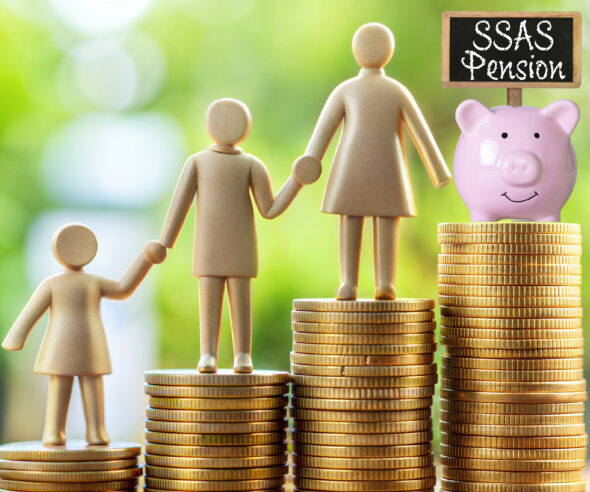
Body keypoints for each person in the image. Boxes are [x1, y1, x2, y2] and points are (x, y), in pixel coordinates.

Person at [292, 23, 451, 301]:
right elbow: (421, 135)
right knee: (374, 219)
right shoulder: (390, 90)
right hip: (383, 167)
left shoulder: (351, 90)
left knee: (358, 219)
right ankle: (365, 282)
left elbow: (323, 133)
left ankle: (367, 283)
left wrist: (311, 160)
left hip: (355, 166)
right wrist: (437, 170)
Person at [159, 98, 313, 374]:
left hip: (241, 246)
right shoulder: (197, 163)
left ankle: (243, 354)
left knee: (241, 301)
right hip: (208, 246)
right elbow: (179, 205)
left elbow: (270, 208)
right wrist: (165, 242)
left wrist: (296, 181)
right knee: (210, 299)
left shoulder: (251, 165)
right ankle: (208, 354)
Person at [2, 223, 166, 446]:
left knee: (91, 382)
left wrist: (145, 260)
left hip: (89, 341)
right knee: (61, 382)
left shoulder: (90, 282)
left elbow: (123, 288)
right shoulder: (53, 284)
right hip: (63, 342)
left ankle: (95, 431)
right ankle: (54, 431)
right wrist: (16, 336)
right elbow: (31, 312)